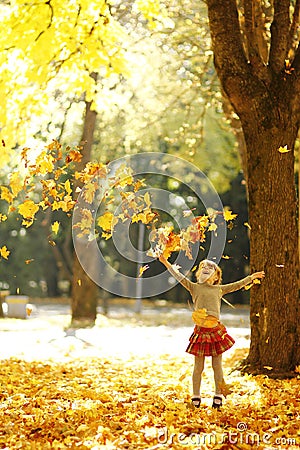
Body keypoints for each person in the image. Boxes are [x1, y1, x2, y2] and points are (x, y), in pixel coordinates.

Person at [159, 255, 265, 408]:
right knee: (198, 367)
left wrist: (252, 277)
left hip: (216, 332)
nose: (206, 269)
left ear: (216, 277)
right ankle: (196, 395)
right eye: (203, 267)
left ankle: (218, 394)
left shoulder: (219, 289)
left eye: (211, 268)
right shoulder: (194, 287)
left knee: (217, 366)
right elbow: (178, 275)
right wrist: (165, 261)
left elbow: (237, 285)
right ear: (198, 274)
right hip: (201, 332)